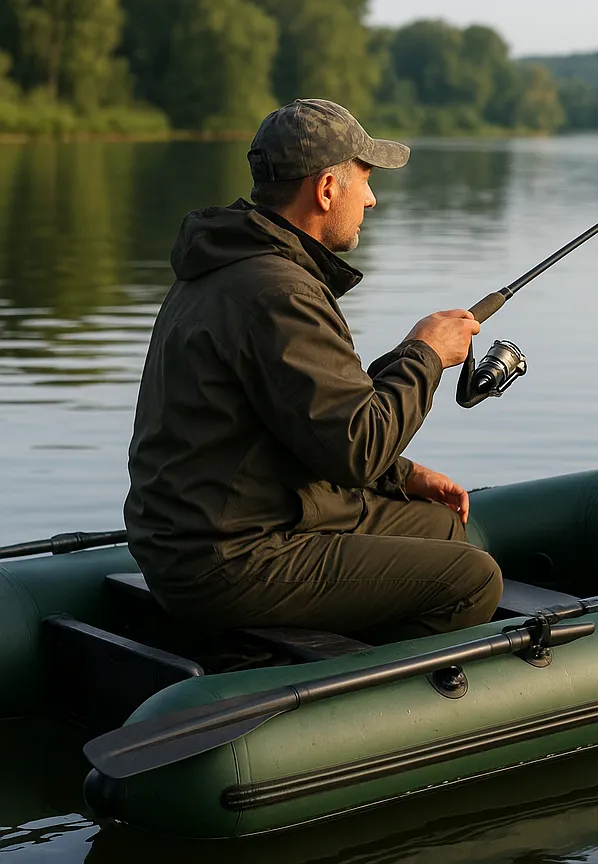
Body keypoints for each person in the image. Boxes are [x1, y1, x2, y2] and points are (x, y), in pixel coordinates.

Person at [124, 98, 503, 642]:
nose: (372, 200)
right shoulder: (280, 292)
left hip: (223, 531)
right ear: (327, 189)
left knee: (444, 527)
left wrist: (402, 474)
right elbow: (357, 448)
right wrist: (425, 353)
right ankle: (346, 697)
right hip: (229, 559)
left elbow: (310, 420)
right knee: (472, 581)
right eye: (366, 181)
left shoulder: (230, 266)